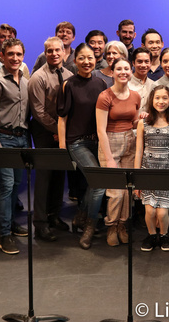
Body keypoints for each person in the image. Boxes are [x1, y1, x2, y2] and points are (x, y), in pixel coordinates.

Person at [57, 43, 107, 249]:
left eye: (90, 58)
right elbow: (62, 119)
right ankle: (89, 225)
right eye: (82, 58)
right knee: (98, 182)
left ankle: (80, 216)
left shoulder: (101, 84)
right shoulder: (68, 84)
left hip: (98, 142)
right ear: (75, 60)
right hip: (77, 143)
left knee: (90, 184)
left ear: (95, 59)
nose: (87, 62)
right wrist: (62, 147)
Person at [0, 38, 30, 255]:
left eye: (19, 54)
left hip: (22, 140)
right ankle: (4, 235)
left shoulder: (25, 81)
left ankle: (12, 222)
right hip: (4, 139)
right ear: (2, 56)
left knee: (16, 185)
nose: (15, 58)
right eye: (11, 54)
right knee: (5, 186)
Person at [28, 37, 73, 242]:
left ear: (64, 52)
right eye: (50, 51)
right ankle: (40, 224)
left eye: (58, 50)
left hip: (61, 132)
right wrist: (57, 129)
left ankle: (54, 215)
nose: (54, 54)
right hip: (44, 132)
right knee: (44, 177)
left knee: (58, 176)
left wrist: (63, 132)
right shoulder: (38, 77)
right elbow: (38, 112)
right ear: (45, 53)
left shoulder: (70, 75)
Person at [96, 57, 141, 246]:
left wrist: (144, 118)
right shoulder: (105, 96)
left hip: (130, 142)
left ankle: (123, 224)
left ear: (131, 72)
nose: (123, 72)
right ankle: (112, 226)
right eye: (119, 69)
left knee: (127, 191)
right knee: (115, 193)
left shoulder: (136, 96)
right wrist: (109, 159)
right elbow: (100, 129)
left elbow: (135, 122)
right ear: (112, 72)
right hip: (110, 143)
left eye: (126, 69)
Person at [135, 86, 169, 251]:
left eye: (165, 98)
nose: (161, 101)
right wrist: (137, 178)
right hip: (147, 171)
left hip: (167, 173)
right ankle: (151, 235)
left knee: (162, 213)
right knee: (149, 212)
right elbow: (139, 151)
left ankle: (163, 235)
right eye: (157, 98)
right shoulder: (143, 123)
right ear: (151, 100)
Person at [128, 48, 156, 112]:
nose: (143, 65)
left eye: (146, 62)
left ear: (151, 63)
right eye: (139, 62)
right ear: (133, 63)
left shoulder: (154, 85)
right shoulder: (126, 84)